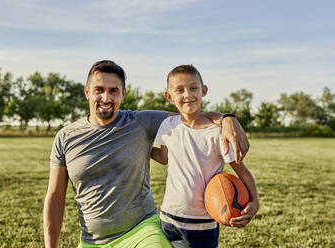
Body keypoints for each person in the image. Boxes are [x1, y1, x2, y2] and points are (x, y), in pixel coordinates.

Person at [43, 60, 250, 248]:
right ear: (87, 92)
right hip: (91, 241)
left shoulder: (140, 122)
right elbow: (55, 196)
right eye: (99, 90)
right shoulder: (65, 137)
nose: (106, 97)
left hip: (142, 231)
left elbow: (191, 117)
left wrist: (227, 119)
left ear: (123, 94)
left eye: (114, 91)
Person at [151, 65, 259, 248]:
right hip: (169, 218)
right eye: (179, 90)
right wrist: (141, 148)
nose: (187, 94)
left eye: (193, 88)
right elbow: (163, 157)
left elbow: (242, 171)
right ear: (169, 96)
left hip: (203, 224)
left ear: (204, 91)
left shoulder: (217, 133)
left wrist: (255, 202)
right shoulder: (168, 126)